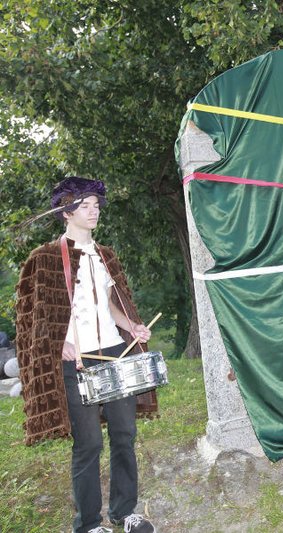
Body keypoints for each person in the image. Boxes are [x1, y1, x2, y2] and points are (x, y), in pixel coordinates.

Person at [15, 177, 158, 533]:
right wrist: (57, 344)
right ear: (66, 212)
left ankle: (125, 512)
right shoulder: (45, 258)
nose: (94, 212)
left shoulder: (104, 254)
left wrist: (132, 326)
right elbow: (33, 317)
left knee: (124, 433)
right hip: (76, 360)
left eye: (96, 206)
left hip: (115, 352)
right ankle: (89, 524)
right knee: (89, 443)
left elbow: (110, 304)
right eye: (85, 206)